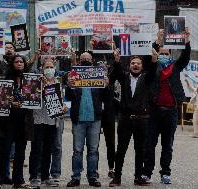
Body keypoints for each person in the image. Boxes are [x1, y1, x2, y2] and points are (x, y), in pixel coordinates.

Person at [142, 28, 191, 184]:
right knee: (150, 144)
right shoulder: (152, 67)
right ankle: (147, 173)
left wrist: (187, 41)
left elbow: (185, 57)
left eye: (166, 54)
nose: (163, 56)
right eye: (161, 53)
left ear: (170, 55)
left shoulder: (175, 67)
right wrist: (157, 41)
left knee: (167, 145)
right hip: (155, 112)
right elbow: (147, 60)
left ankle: (165, 173)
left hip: (171, 112)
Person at [108, 49, 158, 187]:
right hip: (125, 119)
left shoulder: (147, 78)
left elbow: (153, 71)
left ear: (142, 66)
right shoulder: (124, 77)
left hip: (142, 120)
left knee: (140, 150)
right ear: (129, 65)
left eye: (138, 63)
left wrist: (154, 59)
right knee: (121, 150)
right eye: (133, 63)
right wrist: (117, 60)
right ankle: (117, 178)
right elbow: (116, 72)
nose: (135, 65)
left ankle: (138, 177)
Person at [0, 54, 34, 189]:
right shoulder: (5, 79)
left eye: (21, 62)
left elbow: (33, 99)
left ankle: (18, 181)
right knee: (4, 151)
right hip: (8, 121)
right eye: (16, 62)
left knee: (20, 152)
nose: (19, 64)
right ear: (12, 64)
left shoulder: (29, 80)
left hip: (24, 120)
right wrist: (12, 104)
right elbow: (0, 100)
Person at [66, 52, 104, 187]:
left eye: (88, 59)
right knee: (77, 150)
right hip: (79, 119)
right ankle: (76, 177)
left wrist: (106, 83)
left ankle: (92, 177)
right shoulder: (74, 76)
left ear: (92, 60)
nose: (86, 60)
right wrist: (70, 85)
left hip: (95, 119)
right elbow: (69, 97)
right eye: (83, 59)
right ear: (79, 61)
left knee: (93, 150)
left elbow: (106, 96)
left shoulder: (98, 76)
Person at [29, 58, 67, 188]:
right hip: (38, 119)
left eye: (51, 67)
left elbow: (59, 100)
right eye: (47, 67)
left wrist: (63, 107)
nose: (49, 69)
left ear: (55, 68)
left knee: (48, 149)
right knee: (36, 149)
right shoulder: (35, 82)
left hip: (52, 121)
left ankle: (45, 176)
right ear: (42, 68)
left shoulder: (58, 82)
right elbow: (31, 98)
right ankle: (34, 176)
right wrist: (44, 86)